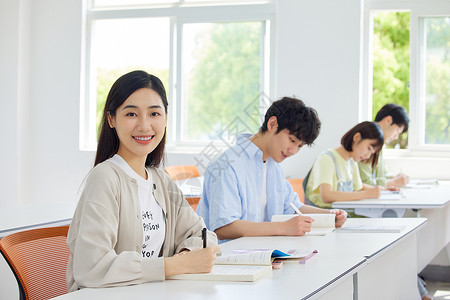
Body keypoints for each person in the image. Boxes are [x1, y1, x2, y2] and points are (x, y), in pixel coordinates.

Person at [66, 70, 220, 292]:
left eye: (155, 114)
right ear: (111, 119)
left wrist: (187, 257)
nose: (144, 125)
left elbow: (202, 234)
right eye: (131, 114)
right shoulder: (105, 177)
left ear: (165, 118)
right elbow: (92, 267)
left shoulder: (161, 180)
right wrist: (173, 265)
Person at [196, 97, 348, 242]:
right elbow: (224, 228)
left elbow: (293, 207)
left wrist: (330, 216)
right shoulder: (227, 165)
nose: (293, 151)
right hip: (228, 259)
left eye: (299, 146)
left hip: (262, 254)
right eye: (292, 140)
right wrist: (282, 228)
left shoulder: (273, 168)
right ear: (272, 124)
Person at [304, 121, 384, 209]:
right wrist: (365, 194)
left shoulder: (352, 162)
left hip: (340, 214)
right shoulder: (327, 159)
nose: (368, 156)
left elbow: (359, 188)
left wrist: (383, 191)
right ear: (357, 137)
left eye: (371, 153)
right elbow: (326, 196)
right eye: (369, 148)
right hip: (323, 216)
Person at [358, 103, 410, 189]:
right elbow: (365, 182)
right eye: (397, 131)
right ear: (388, 120)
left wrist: (394, 178)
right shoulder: (367, 141)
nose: (396, 137)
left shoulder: (380, 146)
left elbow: (381, 174)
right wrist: (393, 182)